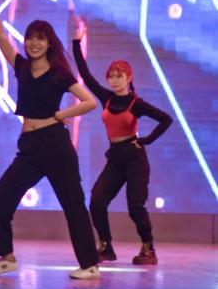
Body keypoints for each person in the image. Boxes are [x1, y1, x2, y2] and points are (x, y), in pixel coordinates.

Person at [0, 0, 100, 279]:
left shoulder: (59, 73)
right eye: (30, 38)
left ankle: (90, 265)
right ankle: (6, 257)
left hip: (56, 146)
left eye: (40, 39)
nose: (33, 43)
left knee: (73, 205)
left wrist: (60, 115)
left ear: (49, 43)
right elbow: (0, 36)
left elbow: (90, 101)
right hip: (30, 148)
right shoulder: (22, 67)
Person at [74, 26, 172, 265]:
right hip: (116, 158)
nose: (115, 80)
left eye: (120, 76)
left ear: (129, 78)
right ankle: (106, 246)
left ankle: (148, 248)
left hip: (134, 158)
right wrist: (77, 42)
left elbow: (166, 119)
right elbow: (85, 75)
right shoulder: (106, 97)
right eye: (112, 76)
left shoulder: (136, 103)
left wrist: (146, 140)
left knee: (135, 206)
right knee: (97, 201)